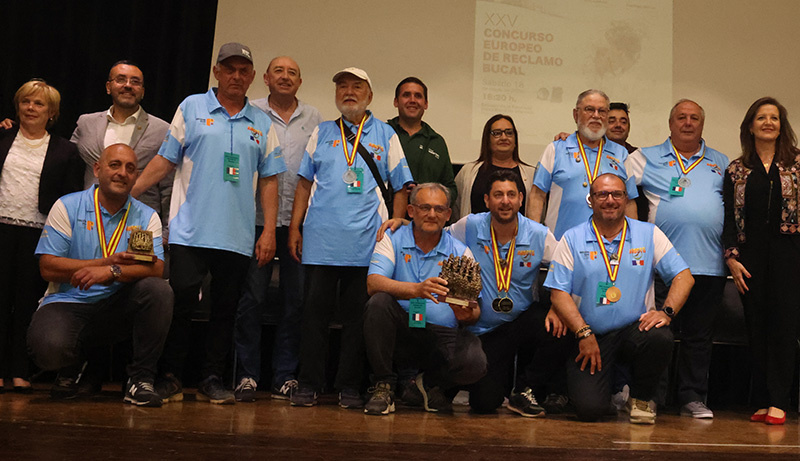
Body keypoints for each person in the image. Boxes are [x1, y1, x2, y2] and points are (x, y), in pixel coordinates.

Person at [132, 42, 286, 405]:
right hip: (190, 230)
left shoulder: (262, 122)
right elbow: (166, 159)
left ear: (252, 77)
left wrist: (267, 232)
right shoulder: (191, 107)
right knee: (180, 305)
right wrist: (132, 190)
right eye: (229, 69)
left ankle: (212, 378)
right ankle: (170, 376)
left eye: (243, 70)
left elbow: (269, 180)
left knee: (225, 311)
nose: (236, 76)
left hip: (237, 235)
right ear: (217, 71)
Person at [288, 67, 413, 408]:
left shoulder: (386, 134)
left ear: (369, 95)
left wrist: (398, 220)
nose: (348, 91)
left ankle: (349, 387)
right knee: (314, 318)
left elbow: (402, 185)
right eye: (342, 86)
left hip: (366, 243)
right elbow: (303, 183)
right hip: (320, 242)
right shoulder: (322, 132)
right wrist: (295, 227)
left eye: (356, 86)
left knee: (358, 320)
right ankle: (310, 383)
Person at [27, 143, 172, 407]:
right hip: (68, 302)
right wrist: (104, 261)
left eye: (130, 168)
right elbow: (47, 267)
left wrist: (112, 271)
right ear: (97, 169)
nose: (122, 173)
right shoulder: (68, 206)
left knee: (159, 290)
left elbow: (155, 268)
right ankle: (74, 364)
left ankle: (140, 380)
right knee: (48, 351)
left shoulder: (146, 215)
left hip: (118, 305)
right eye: (114, 165)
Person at [545, 173, 694, 424]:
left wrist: (666, 312)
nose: (610, 200)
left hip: (634, 332)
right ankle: (613, 391)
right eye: (602, 194)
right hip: (590, 336)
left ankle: (642, 398)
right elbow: (558, 292)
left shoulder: (649, 234)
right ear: (590, 200)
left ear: (626, 199)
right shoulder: (572, 238)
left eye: (617, 194)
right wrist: (582, 332)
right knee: (590, 410)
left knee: (660, 336)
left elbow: (684, 277)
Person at [625, 99, 729, 419]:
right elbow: (618, 185)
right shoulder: (645, 157)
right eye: (681, 117)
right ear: (670, 123)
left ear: (702, 124)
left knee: (699, 338)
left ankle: (692, 397)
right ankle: (650, 396)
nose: (687, 123)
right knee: (659, 334)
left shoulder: (721, 162)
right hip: (662, 265)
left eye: (694, 118)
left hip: (709, 264)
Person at [233, 56, 322, 402]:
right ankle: (247, 375)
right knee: (252, 299)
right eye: (279, 72)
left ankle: (285, 375)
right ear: (266, 78)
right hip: (256, 222)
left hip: (299, 225)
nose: (285, 77)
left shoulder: (315, 118)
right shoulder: (251, 112)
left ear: (300, 81)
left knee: (294, 302)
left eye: (293, 73)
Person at [449, 171, 570, 417]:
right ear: (486, 200)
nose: (505, 201)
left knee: (560, 324)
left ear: (520, 199)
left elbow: (567, 266)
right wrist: (403, 224)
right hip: (483, 329)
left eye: (511, 195)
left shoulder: (538, 233)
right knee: (485, 402)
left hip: (521, 322)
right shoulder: (469, 226)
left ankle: (525, 390)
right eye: (498, 195)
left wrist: (558, 306)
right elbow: (435, 237)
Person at [363, 183, 486, 415]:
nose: (432, 214)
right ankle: (384, 386)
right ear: (411, 211)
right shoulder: (392, 238)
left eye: (439, 209)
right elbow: (373, 283)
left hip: (439, 335)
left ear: (448, 215)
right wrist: (416, 290)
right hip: (401, 330)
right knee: (378, 304)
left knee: (475, 361)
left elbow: (475, 309)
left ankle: (427, 384)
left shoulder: (460, 251)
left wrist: (467, 314)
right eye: (425, 207)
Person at [0, 79, 83, 393]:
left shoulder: (66, 151)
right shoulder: (3, 137)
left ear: (52, 113)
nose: (30, 108)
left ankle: (20, 371)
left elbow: (71, 200)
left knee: (25, 304)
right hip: (1, 229)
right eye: (26, 102)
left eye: (38, 104)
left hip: (39, 235)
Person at [723, 97, 800, 426]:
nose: (768, 122)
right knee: (757, 328)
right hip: (749, 258)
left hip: (790, 256)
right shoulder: (736, 169)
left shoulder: (797, 165)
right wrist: (731, 258)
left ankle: (780, 401)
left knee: (784, 327)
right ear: (750, 126)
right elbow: (727, 219)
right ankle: (765, 398)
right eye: (761, 117)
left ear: (782, 125)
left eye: (774, 118)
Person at [70, 61, 172, 230]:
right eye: (121, 79)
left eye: (135, 82)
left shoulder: (163, 130)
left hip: (139, 225)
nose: (128, 85)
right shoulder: (86, 123)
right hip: (88, 220)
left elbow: (169, 186)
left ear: (143, 91)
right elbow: (65, 165)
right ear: (108, 87)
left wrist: (168, 232)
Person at [528, 90, 638, 240]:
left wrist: (633, 241)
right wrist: (535, 238)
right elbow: (537, 195)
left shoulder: (621, 154)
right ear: (575, 114)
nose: (596, 116)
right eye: (589, 109)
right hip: (561, 246)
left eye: (602, 111)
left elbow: (629, 202)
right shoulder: (556, 149)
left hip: (609, 249)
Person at [387, 77, 457, 204]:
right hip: (385, 218)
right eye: (406, 95)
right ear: (396, 102)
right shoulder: (382, 135)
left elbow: (451, 189)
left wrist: (427, 193)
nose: (412, 100)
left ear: (426, 104)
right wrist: (397, 192)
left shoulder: (437, 142)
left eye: (418, 96)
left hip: (426, 218)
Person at [453, 114, 533, 220]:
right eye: (497, 133)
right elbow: (455, 209)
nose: (504, 137)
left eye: (509, 133)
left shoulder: (531, 174)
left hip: (518, 236)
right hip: (474, 235)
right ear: (488, 139)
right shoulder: (468, 172)